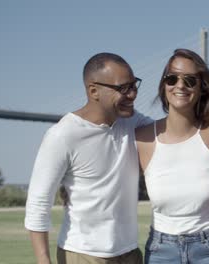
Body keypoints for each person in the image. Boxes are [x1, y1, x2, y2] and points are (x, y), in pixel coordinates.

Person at [25, 53, 152, 264]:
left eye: (134, 85)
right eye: (123, 88)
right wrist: (43, 260)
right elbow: (39, 202)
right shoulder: (62, 135)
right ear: (94, 90)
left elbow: (171, 133)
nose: (132, 94)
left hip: (129, 253)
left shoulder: (133, 122)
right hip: (82, 255)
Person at [135, 48, 209, 264]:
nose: (180, 86)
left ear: (202, 88)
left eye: (190, 80)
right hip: (161, 251)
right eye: (172, 78)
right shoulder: (141, 139)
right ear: (164, 84)